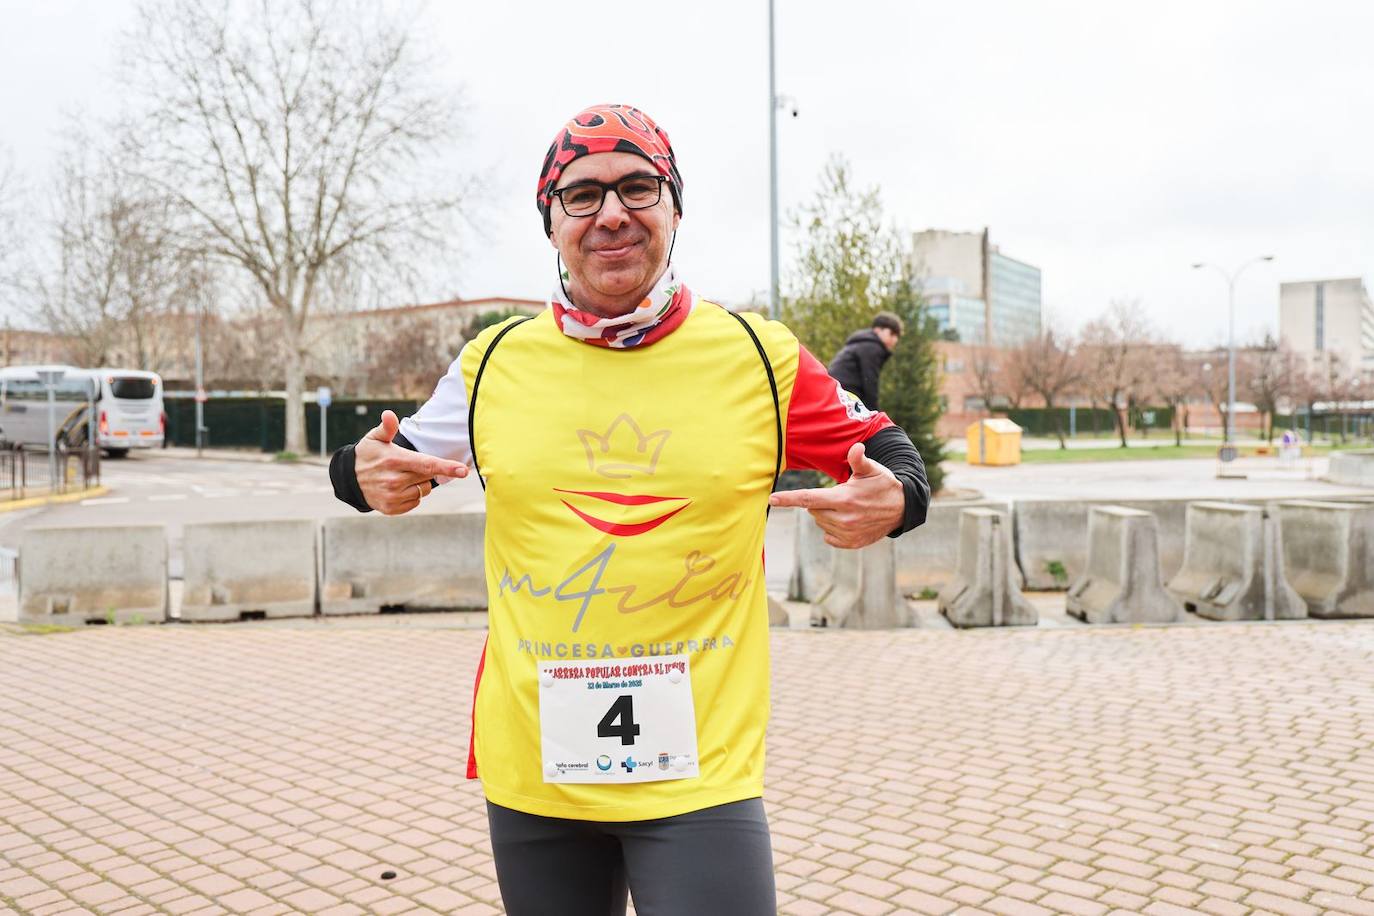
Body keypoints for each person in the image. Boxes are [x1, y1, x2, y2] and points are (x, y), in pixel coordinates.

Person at [330, 103, 930, 916]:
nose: (612, 213)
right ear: (551, 223)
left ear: (675, 208)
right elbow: (381, 458)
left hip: (700, 773)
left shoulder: (758, 355)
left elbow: (888, 448)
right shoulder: (492, 363)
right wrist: (359, 474)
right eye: (581, 195)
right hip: (536, 763)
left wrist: (898, 498)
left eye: (638, 186)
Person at [826, 312, 904, 412]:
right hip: (844, 394)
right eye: (892, 334)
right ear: (878, 330)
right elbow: (870, 382)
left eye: (897, 336)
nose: (895, 339)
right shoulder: (872, 347)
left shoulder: (863, 343)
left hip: (836, 392)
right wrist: (874, 414)